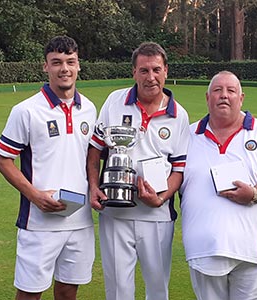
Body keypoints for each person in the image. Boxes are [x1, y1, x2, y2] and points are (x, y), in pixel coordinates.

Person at [0, 36, 97, 300]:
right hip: (38, 222)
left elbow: (90, 159)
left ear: (79, 66)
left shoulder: (89, 109)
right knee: (30, 293)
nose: (64, 68)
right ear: (46, 67)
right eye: (57, 62)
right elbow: (4, 160)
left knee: (67, 291)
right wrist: (34, 195)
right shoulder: (26, 110)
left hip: (80, 220)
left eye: (70, 62)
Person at [87, 42, 190, 300]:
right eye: (143, 71)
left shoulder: (179, 116)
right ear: (134, 72)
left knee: (157, 290)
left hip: (156, 214)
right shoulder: (114, 101)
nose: (150, 77)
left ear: (166, 70)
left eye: (156, 69)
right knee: (118, 290)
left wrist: (162, 198)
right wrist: (93, 186)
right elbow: (95, 150)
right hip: (115, 211)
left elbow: (179, 169)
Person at [179, 71, 257, 300]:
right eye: (217, 90)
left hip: (251, 251)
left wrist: (253, 193)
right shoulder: (187, 134)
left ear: (241, 98)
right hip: (203, 250)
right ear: (207, 97)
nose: (224, 96)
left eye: (231, 91)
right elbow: (170, 177)